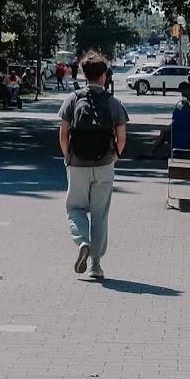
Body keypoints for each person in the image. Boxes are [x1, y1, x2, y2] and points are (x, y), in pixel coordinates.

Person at [57, 49, 128, 282]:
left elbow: (63, 133)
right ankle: (96, 265)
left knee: (75, 208)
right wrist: (113, 157)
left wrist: (69, 156)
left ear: (83, 75)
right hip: (104, 164)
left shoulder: (73, 99)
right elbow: (122, 137)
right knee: (100, 214)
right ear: (104, 76)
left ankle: (82, 242)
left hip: (77, 163)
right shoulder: (113, 103)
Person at [149, 80, 190, 159]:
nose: (181, 94)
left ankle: (152, 152)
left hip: (187, 129)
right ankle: (153, 151)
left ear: (184, 89)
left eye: (181, 91)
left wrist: (170, 127)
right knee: (165, 130)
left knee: (164, 132)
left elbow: (184, 118)